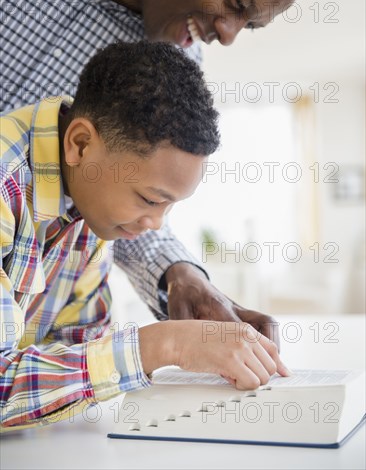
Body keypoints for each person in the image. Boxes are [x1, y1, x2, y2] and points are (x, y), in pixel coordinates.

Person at [0, 0, 317, 345]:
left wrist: (180, 275)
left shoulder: (169, 67)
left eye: (248, 25)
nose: (228, 35)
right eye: (236, 0)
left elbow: (116, 197)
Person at [0, 41, 290, 428]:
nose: (155, 224)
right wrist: (165, 344)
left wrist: (186, 352)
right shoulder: (8, 182)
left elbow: (75, 347)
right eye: (149, 199)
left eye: (169, 207)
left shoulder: (90, 205)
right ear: (80, 144)